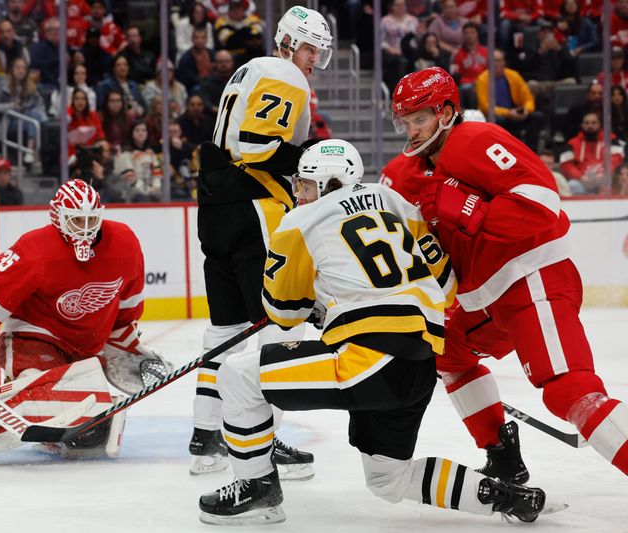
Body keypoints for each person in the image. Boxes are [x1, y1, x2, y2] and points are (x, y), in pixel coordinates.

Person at [198, 139, 549, 525]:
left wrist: (319, 304)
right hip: (419, 363)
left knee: (237, 374)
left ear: (328, 181)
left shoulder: (299, 221)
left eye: (305, 184)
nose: (299, 193)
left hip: (367, 361)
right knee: (388, 479)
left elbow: (283, 312)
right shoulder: (395, 200)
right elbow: (446, 285)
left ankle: (256, 488)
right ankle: (505, 496)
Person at [385, 66, 628, 482]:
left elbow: (541, 200)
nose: (410, 130)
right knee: (449, 355)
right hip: (484, 299)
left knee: (572, 393)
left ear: (446, 112)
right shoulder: (400, 177)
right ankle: (502, 456)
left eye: (419, 118)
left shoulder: (476, 141)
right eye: (404, 121)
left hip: (531, 277)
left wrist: (473, 211)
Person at [0, 179, 173, 468]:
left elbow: (126, 311)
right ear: (57, 217)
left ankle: (58, 423)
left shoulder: (125, 243)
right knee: (38, 390)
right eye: (76, 220)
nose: (85, 228)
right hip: (34, 339)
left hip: (87, 349)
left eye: (91, 220)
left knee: (97, 433)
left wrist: (128, 348)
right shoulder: (35, 249)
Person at [191, 5, 333, 479]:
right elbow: (255, 145)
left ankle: (206, 437)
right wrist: (308, 158)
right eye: (312, 48)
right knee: (270, 329)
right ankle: (262, 442)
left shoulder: (246, 70)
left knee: (224, 329)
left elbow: (234, 140)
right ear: (289, 42)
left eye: (320, 52)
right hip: (254, 209)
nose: (314, 60)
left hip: (215, 208)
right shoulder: (287, 76)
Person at [474, 49, 542, 152]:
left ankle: (532, 152)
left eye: (498, 60)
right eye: (493, 61)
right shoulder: (482, 79)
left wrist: (526, 110)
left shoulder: (513, 76)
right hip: (498, 116)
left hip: (514, 113)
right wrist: (508, 113)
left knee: (537, 117)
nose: (495, 64)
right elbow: (486, 107)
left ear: (504, 62)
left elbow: (528, 98)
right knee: (497, 120)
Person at [0, 57, 46, 165]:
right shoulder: (3, 83)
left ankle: (29, 150)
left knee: (35, 115)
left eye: (23, 68)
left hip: (26, 120)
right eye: (18, 67)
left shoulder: (30, 86)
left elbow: (40, 105)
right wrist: (12, 105)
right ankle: (33, 153)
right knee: (33, 120)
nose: (21, 71)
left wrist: (32, 109)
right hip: (8, 121)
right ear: (12, 69)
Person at [559, 111, 624, 195]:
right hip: (581, 181)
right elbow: (566, 164)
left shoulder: (610, 139)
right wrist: (581, 177)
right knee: (572, 185)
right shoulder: (572, 143)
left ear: (599, 124)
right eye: (586, 123)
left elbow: (617, 158)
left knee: (611, 184)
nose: (590, 126)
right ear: (582, 125)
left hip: (604, 179)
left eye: (594, 123)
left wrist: (603, 174)